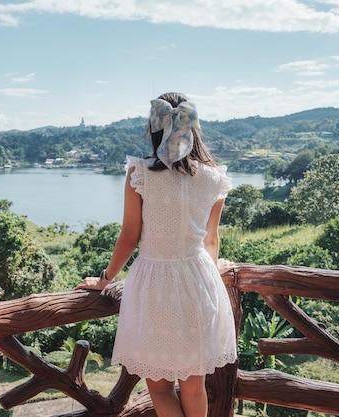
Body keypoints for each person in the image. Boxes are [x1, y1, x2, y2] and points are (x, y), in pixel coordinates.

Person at [75, 92, 237, 417]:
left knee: (160, 387)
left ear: (154, 127)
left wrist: (106, 279)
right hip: (200, 281)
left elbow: (130, 237)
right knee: (194, 385)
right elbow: (211, 241)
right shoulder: (214, 178)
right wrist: (209, 285)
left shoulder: (141, 175)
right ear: (193, 127)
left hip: (155, 284)